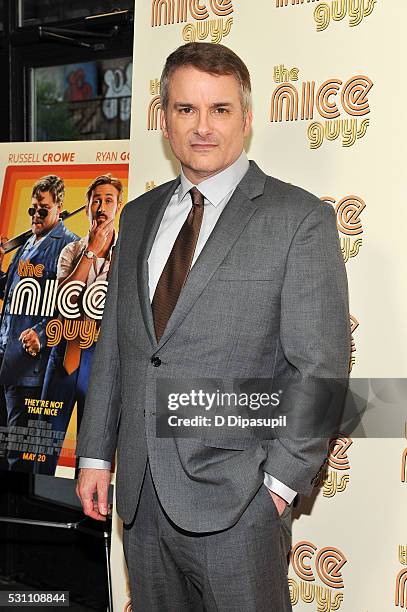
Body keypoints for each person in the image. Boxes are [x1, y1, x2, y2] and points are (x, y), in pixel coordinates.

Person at [76, 42, 350, 611]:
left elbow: (320, 370)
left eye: (220, 110)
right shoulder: (138, 215)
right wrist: (96, 455)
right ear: (164, 120)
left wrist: (277, 487)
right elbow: (119, 348)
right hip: (142, 501)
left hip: (240, 504)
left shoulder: (297, 219)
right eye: (186, 110)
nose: (202, 127)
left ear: (246, 120)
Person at [35, 174, 123, 475]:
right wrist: (91, 253)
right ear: (86, 206)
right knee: (41, 450)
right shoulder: (71, 251)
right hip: (63, 357)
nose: (101, 206)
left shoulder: (127, 253)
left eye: (108, 200)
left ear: (118, 206)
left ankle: (91, 516)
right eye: (96, 200)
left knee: (95, 457)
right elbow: (64, 300)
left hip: (102, 364)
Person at [0, 175, 78, 471]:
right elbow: (8, 292)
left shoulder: (68, 246)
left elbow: (71, 302)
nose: (35, 215)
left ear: (59, 207)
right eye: (32, 209)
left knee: (20, 455)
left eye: (42, 210)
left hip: (31, 367)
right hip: (6, 357)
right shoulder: (27, 244)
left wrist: (43, 335)